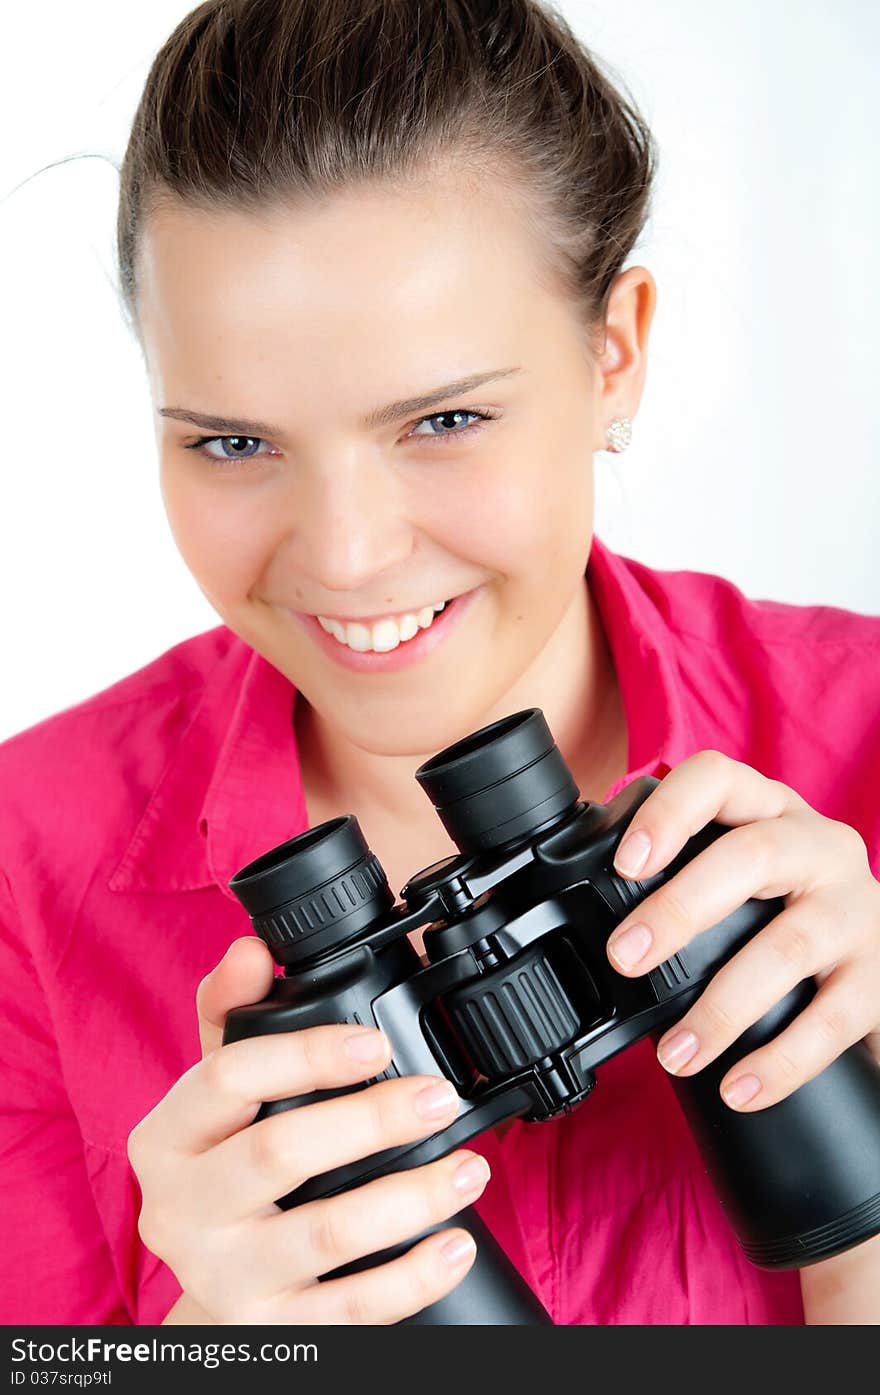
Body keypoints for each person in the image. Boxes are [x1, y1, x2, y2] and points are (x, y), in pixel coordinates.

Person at [1, 0, 878, 1327]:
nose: (345, 559)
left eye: (445, 418)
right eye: (233, 444)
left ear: (615, 353)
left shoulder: (858, 731)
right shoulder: (24, 865)